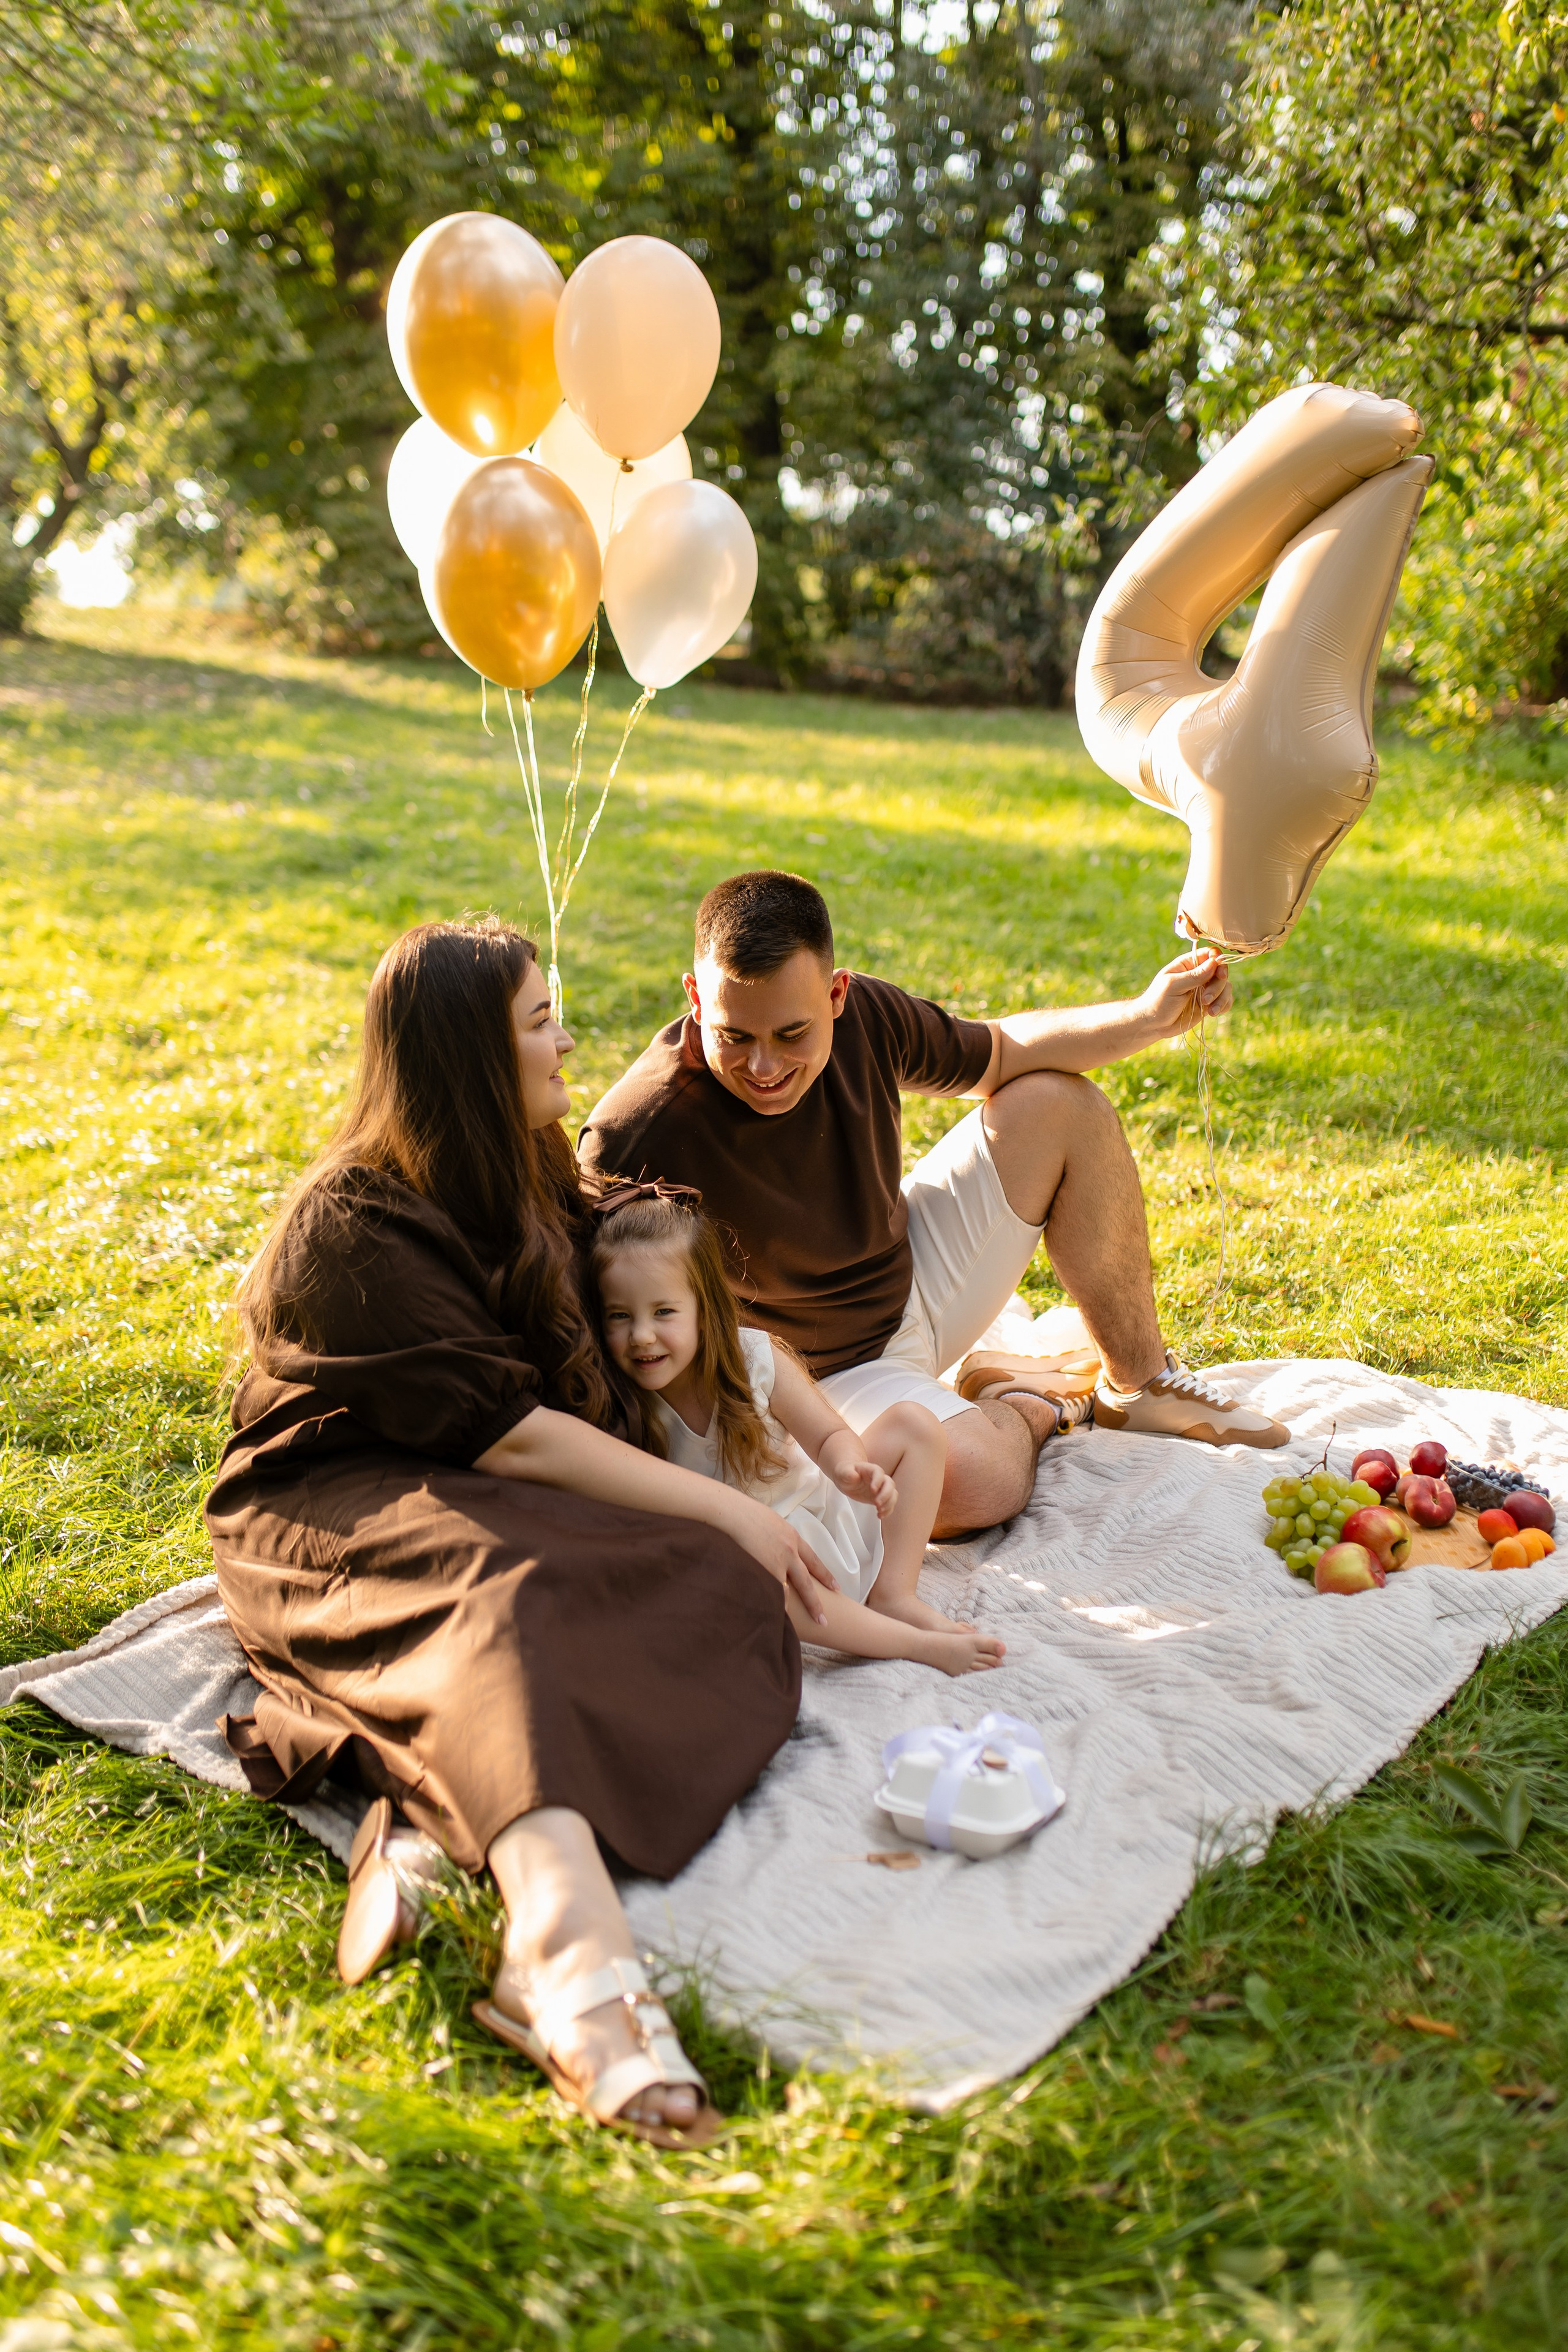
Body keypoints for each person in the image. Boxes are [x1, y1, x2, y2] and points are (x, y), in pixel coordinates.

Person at [206, 916, 839, 2149]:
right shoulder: (348, 1222)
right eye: (539, 1021)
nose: (565, 1040)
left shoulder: (529, 1171)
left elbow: (630, 1283)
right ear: (467, 1060)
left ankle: (421, 1800)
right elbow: (513, 1438)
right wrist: (718, 1496)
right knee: (513, 1602)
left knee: (714, 1580)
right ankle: (561, 1952)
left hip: (497, 1490)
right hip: (336, 1500)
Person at [578, 870, 1287, 1541]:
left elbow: (1003, 1050)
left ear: (834, 995)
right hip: (817, 1381)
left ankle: (1140, 1383)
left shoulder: (868, 1017)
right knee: (976, 1485)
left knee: (1058, 1104)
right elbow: (598, 1320)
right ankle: (1026, 1400)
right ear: (696, 1002)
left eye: (791, 1035)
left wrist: (1147, 1018)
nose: (764, 1068)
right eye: (735, 1036)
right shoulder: (633, 1134)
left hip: (909, 1283)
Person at [589, 1182, 1005, 1673]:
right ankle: (910, 1644)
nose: (641, 1336)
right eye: (620, 1316)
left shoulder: (755, 1360)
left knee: (915, 1423)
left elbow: (828, 1435)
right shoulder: (620, 1400)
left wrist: (849, 1467)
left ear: (706, 1309)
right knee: (757, 1574)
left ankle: (895, 1592)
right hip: (761, 1568)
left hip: (823, 1522)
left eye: (663, 1312)